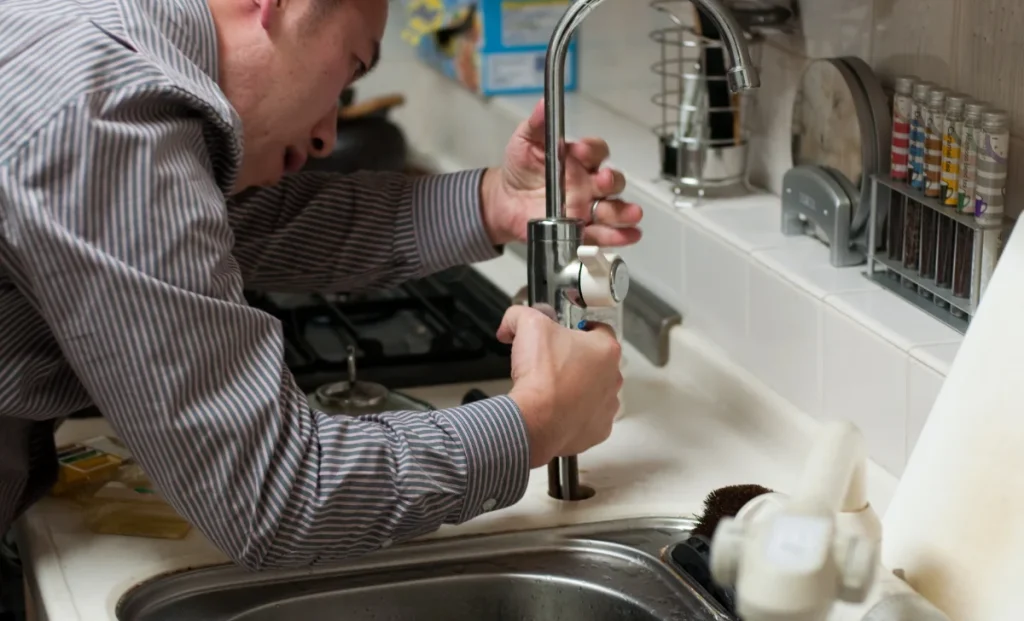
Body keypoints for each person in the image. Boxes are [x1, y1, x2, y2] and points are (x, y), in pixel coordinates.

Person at [0, 0, 644, 587]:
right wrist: (534, 422)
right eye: (352, 68)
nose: (327, 136)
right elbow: (273, 496)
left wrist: (493, 202)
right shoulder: (109, 112)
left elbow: (243, 227)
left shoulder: (102, 42)